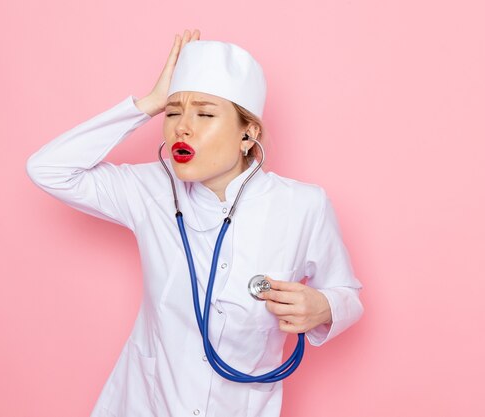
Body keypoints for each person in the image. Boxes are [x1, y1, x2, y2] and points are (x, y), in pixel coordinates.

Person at [26, 29, 364, 417]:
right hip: (145, 405)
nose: (181, 128)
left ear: (247, 134)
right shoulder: (150, 189)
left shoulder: (302, 205)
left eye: (204, 114)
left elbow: (347, 293)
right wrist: (147, 104)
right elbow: (48, 169)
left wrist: (323, 306)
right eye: (173, 113)